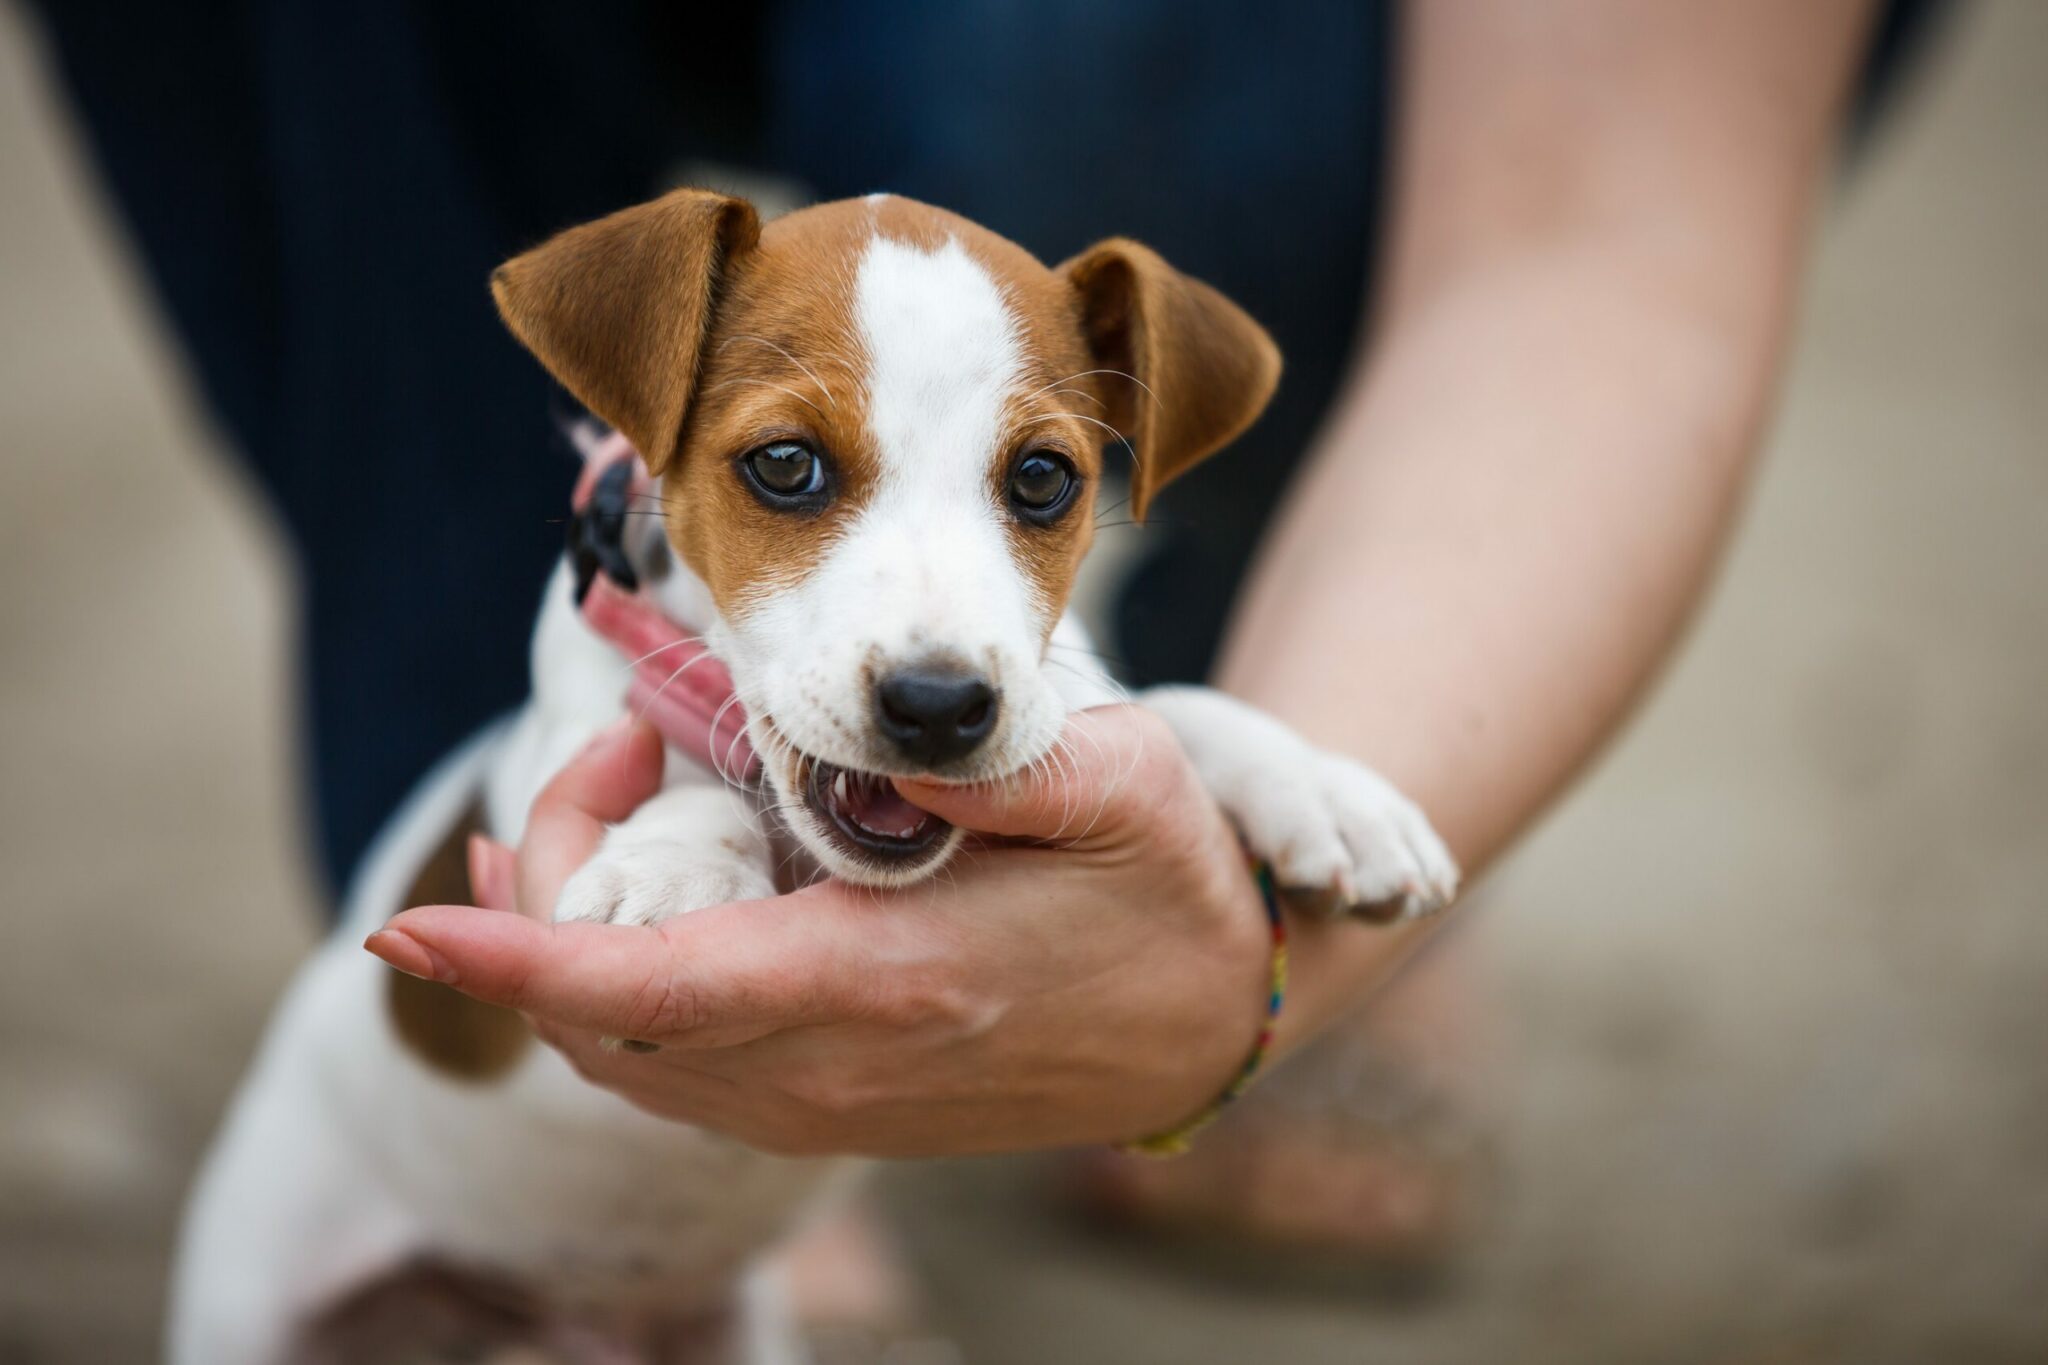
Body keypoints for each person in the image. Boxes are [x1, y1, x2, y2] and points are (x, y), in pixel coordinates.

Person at [33, 0, 1940, 1281]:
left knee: (1073, 61)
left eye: (1035, 485)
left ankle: (1263, 828)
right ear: (635, 424)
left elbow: (1599, 238)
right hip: (370, 1204)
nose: (936, 648)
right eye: (796, 471)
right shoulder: (633, 443)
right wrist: (687, 827)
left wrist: (1269, 830)